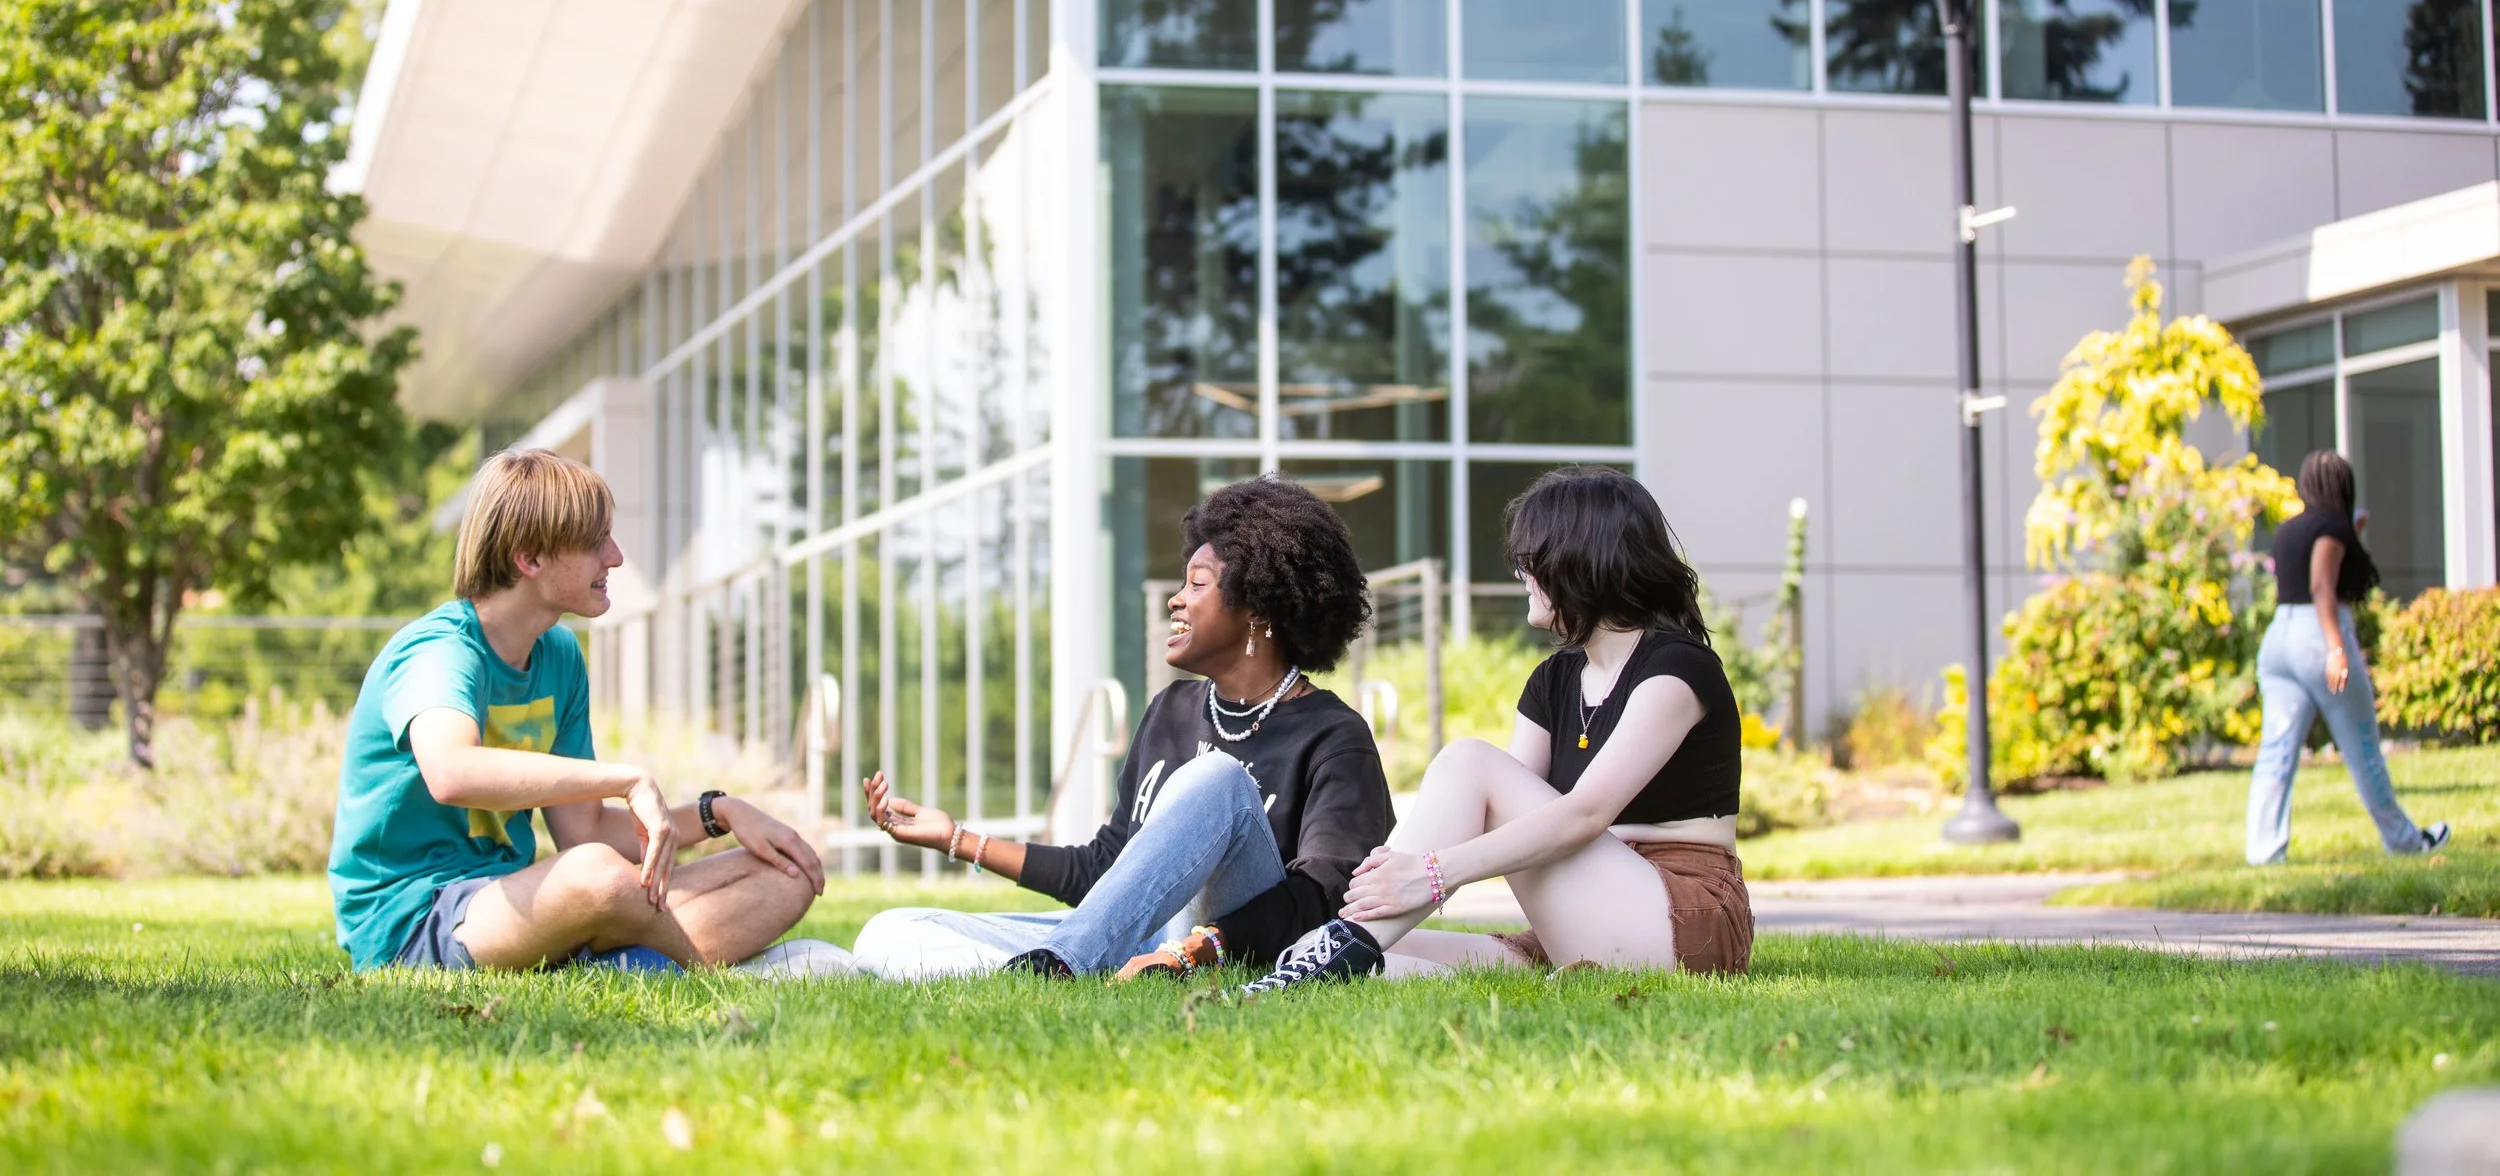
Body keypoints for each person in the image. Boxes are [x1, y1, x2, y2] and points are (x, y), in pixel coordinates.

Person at [328, 448, 847, 976]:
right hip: (417, 923)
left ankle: (628, 956)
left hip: (517, 903)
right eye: (596, 542)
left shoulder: (559, 655)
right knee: (595, 876)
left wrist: (723, 814)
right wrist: (626, 779)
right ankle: (679, 962)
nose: (615, 557)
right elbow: (451, 772)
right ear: (529, 558)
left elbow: (585, 829)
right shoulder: (439, 651)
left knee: (788, 869)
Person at [849, 475, 1390, 981]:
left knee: (1216, 780)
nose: (1176, 599)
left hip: (1230, 945)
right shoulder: (1171, 710)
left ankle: (1061, 966)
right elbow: (1104, 870)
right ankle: (1063, 970)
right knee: (891, 930)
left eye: (1196, 584)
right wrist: (959, 839)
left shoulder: (1335, 737)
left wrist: (1193, 950)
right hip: (1130, 938)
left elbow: (1321, 899)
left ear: (1257, 607)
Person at [1237, 465, 1750, 994]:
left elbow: (1585, 814)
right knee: (1360, 956)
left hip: (1682, 917)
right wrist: (1400, 875)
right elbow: (1497, 820)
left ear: (1579, 560)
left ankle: (1341, 945)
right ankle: (1333, 950)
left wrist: (1432, 873)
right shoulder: (1555, 679)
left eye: (1530, 560)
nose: (1521, 575)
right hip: (1580, 920)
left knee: (1469, 761)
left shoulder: (1676, 669)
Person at [2246, 450, 2450, 865]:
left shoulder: (2289, 531)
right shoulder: (2333, 527)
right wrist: (2336, 649)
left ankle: (2263, 853)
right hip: (2318, 637)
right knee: (2364, 748)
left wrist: (2351, 532)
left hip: (2279, 638)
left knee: (2277, 751)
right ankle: (2405, 842)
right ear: (2342, 484)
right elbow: (2322, 585)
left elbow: (2307, 571)